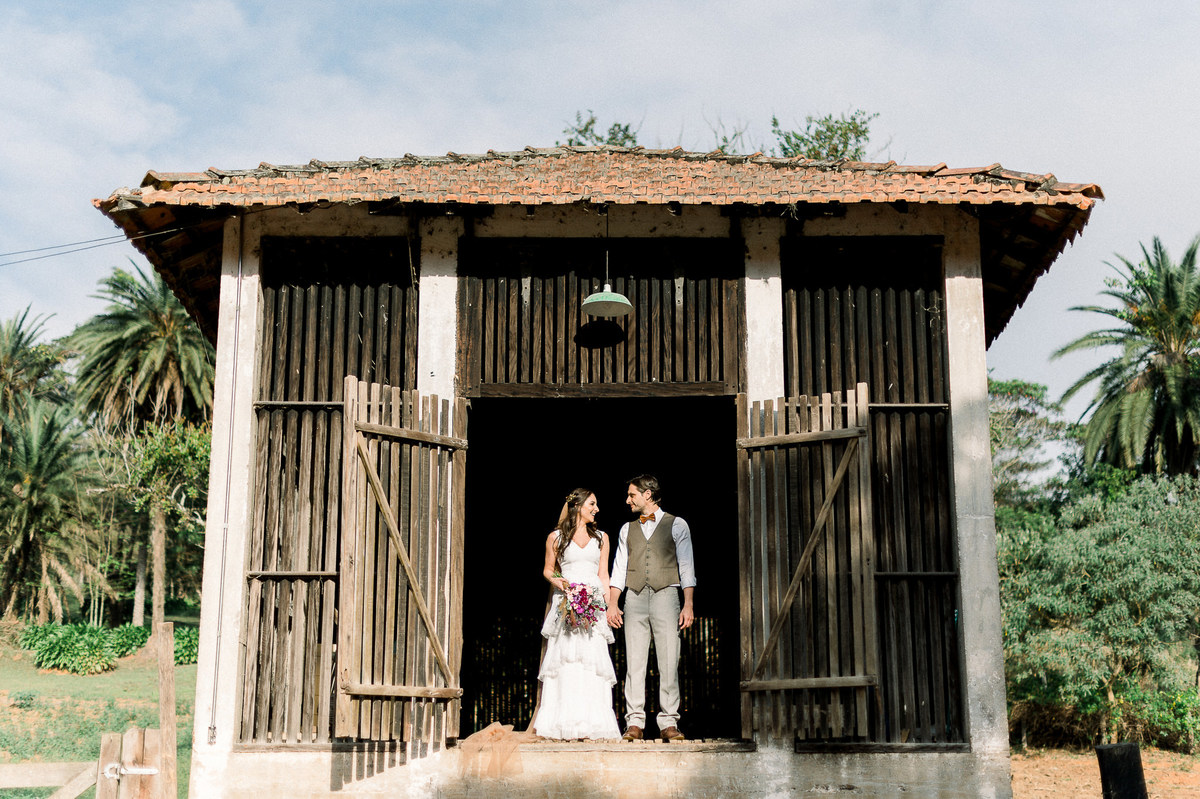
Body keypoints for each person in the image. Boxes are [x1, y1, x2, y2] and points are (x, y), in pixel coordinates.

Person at [607, 474, 695, 742]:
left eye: (632, 495)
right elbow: (619, 568)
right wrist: (613, 602)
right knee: (634, 661)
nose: (627, 500)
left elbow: (686, 565)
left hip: (666, 595)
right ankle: (634, 722)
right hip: (634, 597)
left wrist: (688, 604)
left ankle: (669, 722)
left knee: (669, 658)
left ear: (648, 494)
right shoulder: (626, 529)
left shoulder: (677, 525)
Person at [530, 488, 621, 740]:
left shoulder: (602, 537)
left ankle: (593, 725)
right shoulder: (555, 537)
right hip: (566, 601)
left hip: (593, 605)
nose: (597, 509)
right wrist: (560, 582)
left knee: (591, 662)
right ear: (578, 506)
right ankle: (563, 724)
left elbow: (603, 574)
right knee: (566, 660)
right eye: (592, 503)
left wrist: (609, 604)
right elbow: (549, 570)